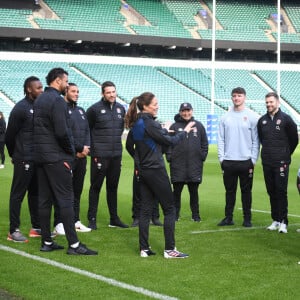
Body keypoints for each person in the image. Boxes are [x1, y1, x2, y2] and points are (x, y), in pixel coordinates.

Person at [33, 67, 97, 255]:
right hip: (56, 157)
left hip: (41, 157)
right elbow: (62, 132)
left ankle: (46, 241)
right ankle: (74, 245)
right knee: (66, 200)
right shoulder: (58, 101)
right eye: (66, 81)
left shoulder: (40, 100)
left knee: (44, 200)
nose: (67, 84)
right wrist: (73, 151)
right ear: (58, 81)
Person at [125, 92, 194, 258]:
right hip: (155, 170)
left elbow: (130, 146)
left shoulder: (137, 124)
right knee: (170, 208)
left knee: (145, 210)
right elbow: (169, 142)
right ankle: (170, 250)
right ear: (145, 106)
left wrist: (139, 160)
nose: (157, 106)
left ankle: (144, 249)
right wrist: (184, 132)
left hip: (143, 171)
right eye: (155, 103)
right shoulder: (150, 124)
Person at [5, 77, 43, 242]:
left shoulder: (39, 107)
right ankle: (13, 230)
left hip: (37, 158)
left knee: (35, 193)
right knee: (17, 194)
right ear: (29, 89)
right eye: (38, 88)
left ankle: (36, 227)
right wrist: (15, 154)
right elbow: (9, 136)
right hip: (24, 158)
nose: (41, 90)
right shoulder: (20, 108)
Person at [86, 81, 128, 229]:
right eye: (108, 92)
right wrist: (92, 150)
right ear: (103, 94)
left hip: (116, 155)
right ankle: (91, 218)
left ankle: (114, 218)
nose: (111, 95)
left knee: (113, 187)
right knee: (96, 187)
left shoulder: (121, 109)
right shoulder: (94, 110)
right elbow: (87, 130)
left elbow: (119, 131)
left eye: (113, 92)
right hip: (99, 155)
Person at [217, 87, 259, 227]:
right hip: (229, 161)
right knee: (229, 192)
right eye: (234, 96)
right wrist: (221, 158)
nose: (236, 98)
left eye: (239, 96)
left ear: (244, 98)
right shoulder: (225, 117)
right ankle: (228, 217)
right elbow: (221, 139)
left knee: (246, 192)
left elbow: (256, 140)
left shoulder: (252, 117)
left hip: (246, 161)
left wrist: (253, 160)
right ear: (232, 98)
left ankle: (247, 219)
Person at [257, 92, 298, 234]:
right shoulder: (262, 121)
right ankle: (275, 220)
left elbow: (294, 139)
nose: (269, 104)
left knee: (281, 191)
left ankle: (284, 222)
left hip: (281, 162)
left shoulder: (286, 119)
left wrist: (285, 154)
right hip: (267, 162)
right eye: (267, 102)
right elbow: (262, 139)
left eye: (271, 102)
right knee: (271, 191)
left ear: (277, 103)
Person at [53, 83, 91, 235]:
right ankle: (59, 222)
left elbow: (87, 130)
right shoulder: (61, 109)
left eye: (78, 91)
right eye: (73, 91)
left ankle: (75, 220)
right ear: (66, 92)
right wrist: (76, 150)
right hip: (68, 156)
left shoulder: (81, 110)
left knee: (77, 190)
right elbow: (63, 134)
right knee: (64, 191)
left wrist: (86, 148)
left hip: (82, 157)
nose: (76, 94)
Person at [166, 102, 208, 222]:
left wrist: (202, 156)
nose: (186, 113)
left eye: (188, 110)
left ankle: (196, 216)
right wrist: (169, 157)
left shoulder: (199, 126)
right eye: (183, 111)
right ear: (180, 112)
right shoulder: (174, 126)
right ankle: (175, 215)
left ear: (192, 111)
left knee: (194, 193)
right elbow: (168, 143)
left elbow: (204, 143)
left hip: (194, 165)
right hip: (177, 165)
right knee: (176, 193)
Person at [125, 98, 162, 227]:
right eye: (155, 104)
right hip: (141, 165)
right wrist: (137, 157)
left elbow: (161, 143)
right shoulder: (138, 126)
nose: (157, 107)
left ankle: (155, 216)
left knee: (156, 190)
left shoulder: (156, 125)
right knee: (138, 190)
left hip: (154, 163)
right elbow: (129, 145)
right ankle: (136, 217)